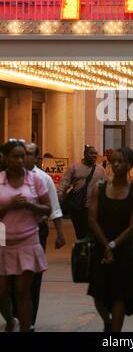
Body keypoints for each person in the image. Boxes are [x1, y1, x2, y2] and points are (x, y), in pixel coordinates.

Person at [88, 147, 133, 332]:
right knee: (98, 295)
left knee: (119, 295)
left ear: (130, 165)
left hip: (122, 249)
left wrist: (113, 245)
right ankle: (108, 320)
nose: (117, 164)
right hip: (100, 246)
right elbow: (92, 219)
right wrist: (105, 244)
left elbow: (132, 225)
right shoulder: (100, 188)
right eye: (114, 161)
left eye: (121, 161)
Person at [0, 139, 51, 332]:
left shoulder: (35, 179)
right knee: (2, 292)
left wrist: (30, 205)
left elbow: (48, 208)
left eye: (23, 156)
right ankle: (10, 320)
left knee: (23, 291)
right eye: (15, 157)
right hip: (2, 239)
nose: (20, 160)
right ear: (5, 158)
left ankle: (26, 327)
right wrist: (10, 205)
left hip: (28, 239)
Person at [25, 142, 66, 330]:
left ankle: (30, 319)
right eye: (20, 154)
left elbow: (54, 208)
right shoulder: (6, 178)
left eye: (28, 154)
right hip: (9, 232)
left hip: (37, 230)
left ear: (37, 158)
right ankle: (16, 314)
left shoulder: (43, 178)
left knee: (33, 275)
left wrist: (60, 234)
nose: (23, 158)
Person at [57, 145, 106, 239]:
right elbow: (64, 183)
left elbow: (106, 186)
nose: (94, 155)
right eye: (91, 153)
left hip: (94, 207)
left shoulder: (101, 170)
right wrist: (59, 196)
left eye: (95, 153)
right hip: (78, 207)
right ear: (84, 154)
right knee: (80, 232)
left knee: (93, 231)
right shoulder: (75, 167)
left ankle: (90, 250)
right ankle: (82, 249)